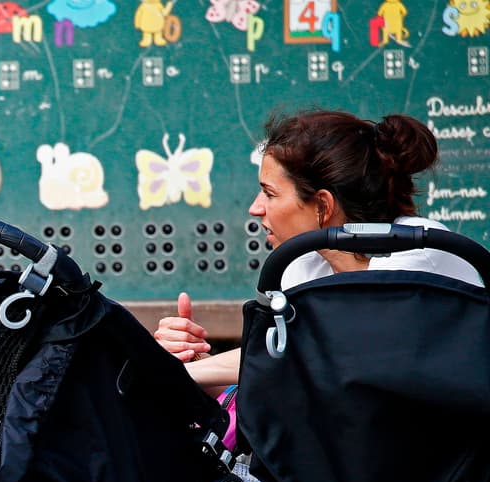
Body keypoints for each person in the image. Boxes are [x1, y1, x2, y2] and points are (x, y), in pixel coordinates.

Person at [155, 109, 483, 393]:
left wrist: (180, 372)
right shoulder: (304, 267)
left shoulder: (424, 254)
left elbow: (335, 357)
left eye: (270, 194)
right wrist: (192, 361)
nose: (255, 209)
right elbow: (281, 369)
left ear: (323, 206)